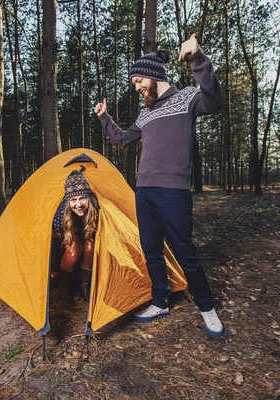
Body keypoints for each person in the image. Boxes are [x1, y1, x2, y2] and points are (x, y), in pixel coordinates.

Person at [93, 35, 225, 337]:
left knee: (184, 252)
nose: (137, 87)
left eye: (139, 81)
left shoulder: (187, 98)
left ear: (153, 76)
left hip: (173, 192)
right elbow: (124, 139)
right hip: (145, 191)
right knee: (151, 249)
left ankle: (208, 308)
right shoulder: (146, 112)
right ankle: (160, 301)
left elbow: (215, 100)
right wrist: (105, 118)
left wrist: (197, 57)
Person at [51, 170, 99, 302]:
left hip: (87, 230)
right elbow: (57, 235)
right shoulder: (61, 214)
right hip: (69, 230)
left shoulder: (96, 209)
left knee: (90, 247)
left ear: (89, 198)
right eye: (73, 200)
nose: (79, 204)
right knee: (74, 250)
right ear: (68, 201)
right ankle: (64, 285)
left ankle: (84, 284)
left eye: (83, 198)